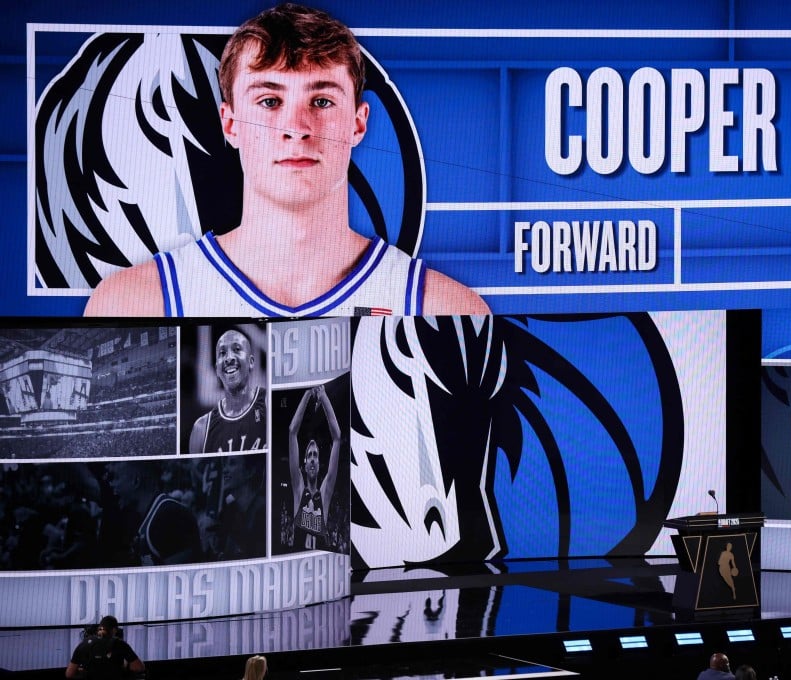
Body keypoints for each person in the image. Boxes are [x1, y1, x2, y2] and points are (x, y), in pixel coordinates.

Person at [84, 3, 489, 318]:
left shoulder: (446, 311)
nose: (296, 127)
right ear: (230, 124)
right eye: (269, 100)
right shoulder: (135, 304)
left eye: (322, 100)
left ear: (358, 124)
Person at [106, 461, 202, 565]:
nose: (112, 485)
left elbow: (179, 576)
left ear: (135, 481)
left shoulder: (169, 516)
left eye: (116, 478)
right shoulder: (139, 517)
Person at [190, 328, 267, 454]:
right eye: (222, 352)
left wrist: (253, 330)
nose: (229, 358)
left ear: (251, 362)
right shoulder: (201, 428)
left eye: (237, 349)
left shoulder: (268, 403)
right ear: (216, 369)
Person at [290, 384, 342, 550]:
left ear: (319, 465)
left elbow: (337, 438)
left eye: (315, 455)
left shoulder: (325, 494)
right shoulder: (298, 489)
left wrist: (323, 396)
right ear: (304, 464)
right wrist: (307, 392)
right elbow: (292, 432)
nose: (312, 459)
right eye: (310, 455)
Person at [66, 615, 144, 679]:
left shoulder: (83, 644)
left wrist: (84, 671)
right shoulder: (120, 644)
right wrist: (125, 664)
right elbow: (138, 668)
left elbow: (69, 674)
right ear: (114, 630)